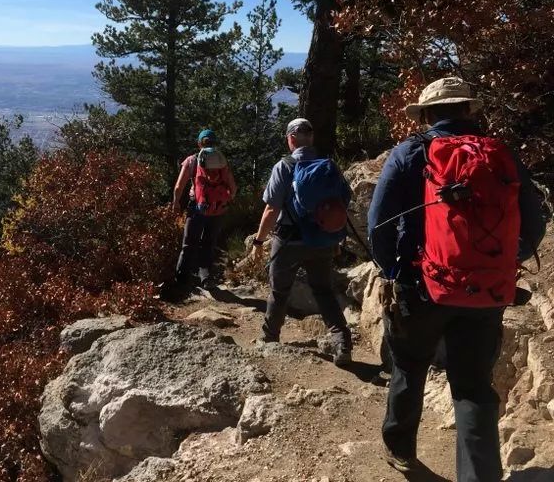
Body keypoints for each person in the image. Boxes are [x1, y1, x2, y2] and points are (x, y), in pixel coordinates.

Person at [367, 77, 547, 481]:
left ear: (427, 113)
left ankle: (400, 449)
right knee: (473, 385)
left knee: (409, 364)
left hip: (421, 283)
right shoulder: (501, 155)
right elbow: (534, 224)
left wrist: (391, 270)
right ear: (468, 110)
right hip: (486, 290)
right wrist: (500, 262)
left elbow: (378, 222)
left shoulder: (410, 152)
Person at [249, 118, 353, 366]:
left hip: (289, 241)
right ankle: (343, 342)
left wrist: (258, 242)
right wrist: (335, 237)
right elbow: (342, 204)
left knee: (279, 290)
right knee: (324, 291)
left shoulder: (284, 166)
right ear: (311, 138)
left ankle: (270, 338)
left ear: (290, 139)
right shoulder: (329, 166)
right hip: (322, 240)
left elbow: (271, 209)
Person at [160, 129, 236, 301]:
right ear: (214, 142)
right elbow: (233, 188)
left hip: (197, 207)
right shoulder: (222, 160)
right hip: (218, 208)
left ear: (199, 143)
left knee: (189, 244)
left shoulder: (192, 160)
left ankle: (181, 279)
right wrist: (223, 201)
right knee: (209, 243)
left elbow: (179, 186)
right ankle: (206, 278)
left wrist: (176, 202)